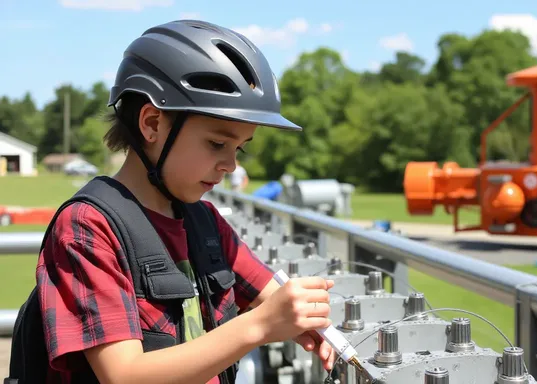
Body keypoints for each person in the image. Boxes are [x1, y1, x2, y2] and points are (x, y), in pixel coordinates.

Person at [36, 19, 336, 383]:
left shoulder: (205, 222)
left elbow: (271, 296)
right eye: (216, 143)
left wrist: (304, 318)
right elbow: (124, 376)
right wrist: (258, 325)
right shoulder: (89, 228)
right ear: (152, 124)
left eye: (239, 147)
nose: (231, 164)